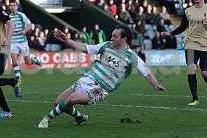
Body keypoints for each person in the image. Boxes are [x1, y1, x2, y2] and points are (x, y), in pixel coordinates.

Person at [37, 26, 165, 128]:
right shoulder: (106, 45)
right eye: (112, 35)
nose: (112, 38)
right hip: (86, 79)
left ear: (124, 39)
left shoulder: (132, 57)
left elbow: (146, 72)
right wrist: (67, 40)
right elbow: (85, 48)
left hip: (100, 88)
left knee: (70, 99)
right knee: (58, 102)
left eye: (115, 36)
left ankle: (47, 119)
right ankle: (79, 117)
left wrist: (156, 84)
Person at [162, 0, 207, 106]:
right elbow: (183, 27)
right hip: (191, 44)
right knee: (191, 69)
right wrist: (170, 33)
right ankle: (195, 98)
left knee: (205, 74)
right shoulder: (188, 11)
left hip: (206, 45)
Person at [8, 1, 43, 97]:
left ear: (17, 7)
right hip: (13, 42)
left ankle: (34, 59)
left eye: (13, 5)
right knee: (14, 61)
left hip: (22, 42)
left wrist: (24, 31)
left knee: (28, 62)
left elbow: (30, 25)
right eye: (10, 6)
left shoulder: (21, 15)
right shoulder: (8, 17)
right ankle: (18, 81)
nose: (12, 7)